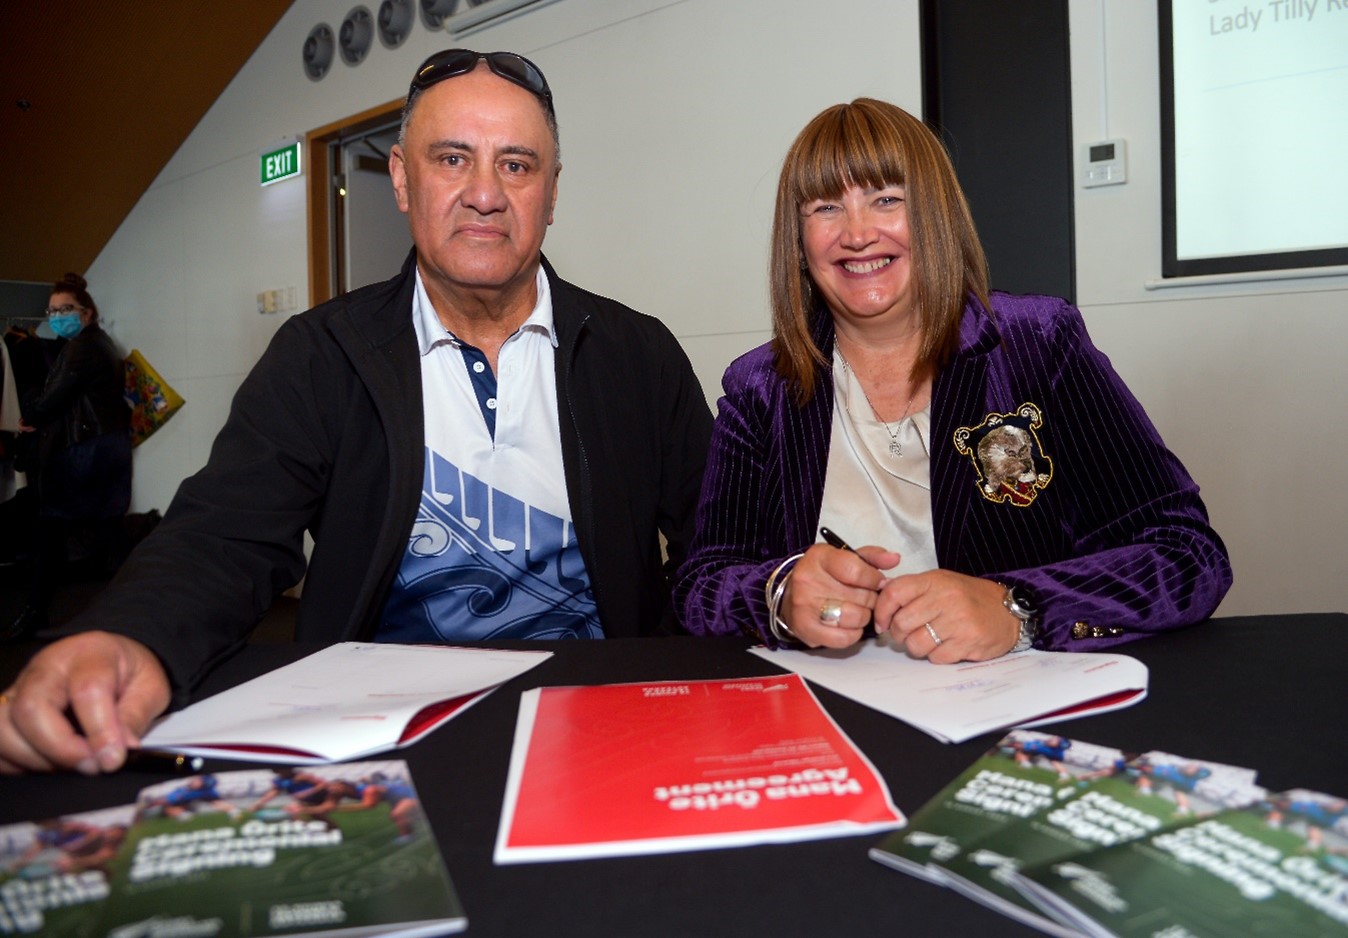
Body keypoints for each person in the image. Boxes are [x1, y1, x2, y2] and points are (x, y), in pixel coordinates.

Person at [0, 49, 711, 775]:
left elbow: (713, 547)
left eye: (518, 165)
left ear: (552, 194)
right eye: (453, 159)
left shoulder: (638, 353)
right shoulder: (321, 354)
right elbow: (224, 535)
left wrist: (674, 680)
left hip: (601, 729)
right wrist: (131, 635)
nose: (485, 194)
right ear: (402, 178)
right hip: (382, 746)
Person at [674, 98, 1231, 658]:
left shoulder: (1039, 342)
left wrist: (1016, 606)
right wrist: (780, 592)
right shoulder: (759, 388)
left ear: (935, 215)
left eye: (886, 199)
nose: (857, 233)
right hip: (833, 711)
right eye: (825, 208)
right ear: (798, 242)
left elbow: (1186, 552)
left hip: (1017, 707)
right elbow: (702, 581)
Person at [3, 274, 132, 643]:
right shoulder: (101, 344)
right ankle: (141, 608)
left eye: (66, 310)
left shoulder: (79, 350)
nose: (58, 316)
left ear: (87, 313)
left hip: (82, 455)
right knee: (108, 534)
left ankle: (34, 615)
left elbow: (49, 402)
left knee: (51, 532)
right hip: (107, 451)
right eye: (53, 310)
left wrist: (27, 408)